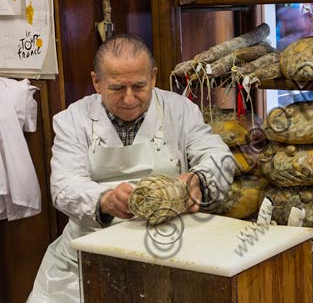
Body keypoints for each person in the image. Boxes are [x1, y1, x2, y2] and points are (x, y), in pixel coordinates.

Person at [28, 34, 236, 302]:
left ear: (153, 77)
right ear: (97, 82)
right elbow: (64, 187)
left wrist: (200, 181)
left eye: (139, 86)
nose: (129, 99)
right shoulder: (72, 120)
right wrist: (105, 200)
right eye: (117, 88)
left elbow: (219, 157)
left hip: (169, 253)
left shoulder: (180, 110)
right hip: (85, 256)